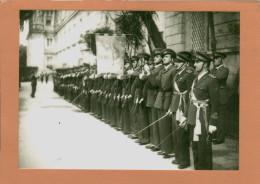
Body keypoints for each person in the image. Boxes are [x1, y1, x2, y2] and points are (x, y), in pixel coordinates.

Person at [181, 51, 220, 170]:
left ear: (205, 64)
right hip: (193, 116)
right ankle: (198, 170)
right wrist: (185, 115)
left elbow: (215, 103)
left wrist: (213, 123)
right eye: (195, 61)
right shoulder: (195, 79)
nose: (195, 64)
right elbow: (191, 99)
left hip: (204, 118)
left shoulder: (211, 80)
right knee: (195, 146)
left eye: (198, 62)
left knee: (204, 147)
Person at [167, 51, 195, 169]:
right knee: (175, 132)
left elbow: (189, 92)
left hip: (183, 105)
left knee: (182, 133)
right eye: (176, 61)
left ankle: (185, 160)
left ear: (185, 63)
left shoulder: (189, 74)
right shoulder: (178, 73)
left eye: (178, 62)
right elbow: (175, 93)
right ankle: (178, 157)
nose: (176, 63)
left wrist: (186, 110)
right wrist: (171, 107)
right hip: (175, 104)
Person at [153, 48, 178, 159]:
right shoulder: (163, 70)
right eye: (163, 56)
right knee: (162, 125)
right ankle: (164, 148)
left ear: (172, 59)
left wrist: (172, 104)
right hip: (160, 98)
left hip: (168, 97)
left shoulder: (173, 70)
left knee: (167, 125)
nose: (163, 58)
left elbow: (175, 88)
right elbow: (156, 82)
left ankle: (170, 150)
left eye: (166, 56)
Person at [211, 52, 229, 144]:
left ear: (221, 59)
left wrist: (210, 77)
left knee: (221, 118)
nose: (215, 60)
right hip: (214, 95)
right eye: (214, 58)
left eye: (217, 58)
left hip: (221, 96)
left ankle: (220, 138)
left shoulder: (225, 70)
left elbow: (217, 78)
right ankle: (214, 136)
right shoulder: (213, 70)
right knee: (214, 116)